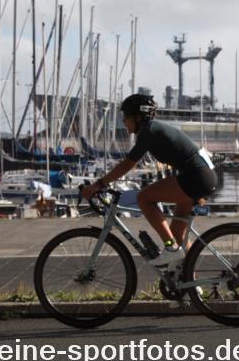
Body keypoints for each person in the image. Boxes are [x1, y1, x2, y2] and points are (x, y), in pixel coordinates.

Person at [81, 94, 216, 264]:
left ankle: (170, 248)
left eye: (126, 117)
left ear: (138, 117)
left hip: (197, 177)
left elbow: (128, 164)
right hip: (202, 176)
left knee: (144, 198)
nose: (124, 122)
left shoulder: (149, 131)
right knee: (177, 235)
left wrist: (99, 184)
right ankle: (191, 284)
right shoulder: (153, 129)